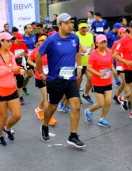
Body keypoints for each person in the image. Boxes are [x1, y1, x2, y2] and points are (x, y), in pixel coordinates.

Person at [36, 13, 86, 148]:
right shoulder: (51, 40)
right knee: (52, 107)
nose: (71, 25)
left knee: (76, 106)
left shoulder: (75, 38)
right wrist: (41, 73)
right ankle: (45, 126)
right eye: (67, 23)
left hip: (70, 78)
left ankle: (73, 135)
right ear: (59, 25)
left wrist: (79, 66)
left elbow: (77, 52)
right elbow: (38, 55)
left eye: (71, 22)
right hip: (55, 79)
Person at [0, 32, 24, 146]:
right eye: (8, 41)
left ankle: (8, 128)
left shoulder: (11, 54)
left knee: (17, 115)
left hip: (11, 89)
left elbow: (15, 69)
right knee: (2, 117)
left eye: (11, 41)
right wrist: (10, 69)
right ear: (1, 42)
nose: (10, 43)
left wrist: (20, 70)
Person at [27, 34, 57, 125]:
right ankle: (49, 118)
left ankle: (39, 109)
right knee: (47, 98)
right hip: (40, 77)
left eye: (45, 40)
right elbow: (29, 60)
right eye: (41, 40)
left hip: (50, 76)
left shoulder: (50, 51)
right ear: (38, 42)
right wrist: (35, 65)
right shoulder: (36, 51)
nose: (43, 42)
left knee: (45, 96)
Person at [85, 35, 113, 127]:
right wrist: (98, 74)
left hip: (108, 80)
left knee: (108, 101)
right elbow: (89, 67)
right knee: (101, 103)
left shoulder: (109, 52)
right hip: (97, 81)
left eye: (105, 42)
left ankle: (102, 118)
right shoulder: (93, 54)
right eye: (101, 42)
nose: (103, 44)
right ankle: (89, 111)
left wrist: (114, 71)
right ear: (96, 43)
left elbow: (110, 64)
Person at [76, 21, 94, 104]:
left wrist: (92, 50)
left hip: (88, 62)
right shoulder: (75, 36)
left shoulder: (90, 35)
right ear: (79, 28)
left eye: (85, 28)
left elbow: (92, 46)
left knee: (91, 79)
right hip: (78, 63)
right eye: (82, 28)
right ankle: (77, 96)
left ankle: (86, 94)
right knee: (78, 81)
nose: (84, 29)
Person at [112, 28, 130, 109]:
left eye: (126, 32)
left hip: (128, 64)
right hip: (120, 65)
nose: (126, 33)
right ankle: (127, 100)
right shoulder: (117, 43)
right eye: (123, 32)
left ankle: (116, 96)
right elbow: (112, 53)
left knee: (124, 83)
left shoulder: (129, 42)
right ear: (119, 34)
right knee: (126, 82)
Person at [10, 33, 28, 105]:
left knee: (20, 81)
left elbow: (27, 54)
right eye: (18, 40)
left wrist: (25, 55)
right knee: (11, 82)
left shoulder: (23, 45)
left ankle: (20, 96)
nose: (20, 42)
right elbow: (9, 58)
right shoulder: (11, 45)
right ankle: (12, 95)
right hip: (12, 66)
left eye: (21, 40)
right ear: (15, 39)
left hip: (21, 66)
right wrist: (18, 55)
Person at [22, 24, 36, 95]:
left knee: (29, 75)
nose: (31, 29)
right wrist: (26, 54)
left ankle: (23, 87)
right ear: (25, 30)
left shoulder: (34, 37)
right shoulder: (22, 37)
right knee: (30, 74)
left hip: (33, 57)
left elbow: (35, 46)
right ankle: (19, 86)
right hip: (25, 57)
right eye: (29, 28)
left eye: (31, 28)